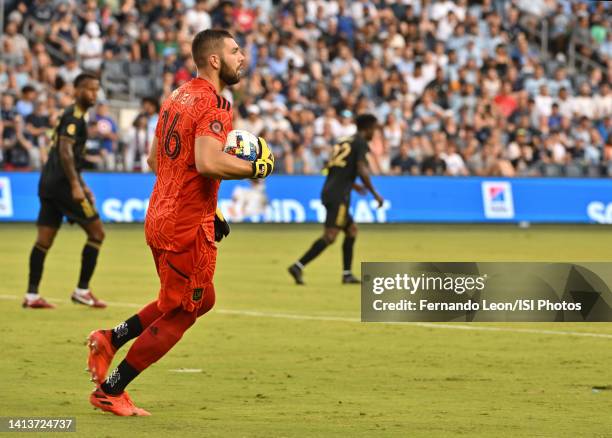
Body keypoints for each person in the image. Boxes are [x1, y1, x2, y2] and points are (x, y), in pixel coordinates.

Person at [86, 29, 274, 416]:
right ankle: (111, 389)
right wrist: (254, 167)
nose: (243, 57)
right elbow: (207, 162)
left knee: (197, 298)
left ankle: (110, 338)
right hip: (184, 226)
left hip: (162, 214)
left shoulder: (177, 97)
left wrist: (211, 208)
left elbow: (157, 160)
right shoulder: (216, 105)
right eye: (235, 51)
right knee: (185, 310)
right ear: (215, 60)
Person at [23, 72, 107, 309]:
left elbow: (70, 157)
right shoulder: (74, 117)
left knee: (44, 240)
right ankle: (82, 291)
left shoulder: (74, 114)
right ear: (77, 90)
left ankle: (31, 296)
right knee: (97, 233)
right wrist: (74, 185)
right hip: (62, 186)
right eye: (90, 89)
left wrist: (82, 183)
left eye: (96, 89)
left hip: (48, 183)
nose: (94, 94)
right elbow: (65, 152)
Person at [288, 113, 384, 285]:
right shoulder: (361, 143)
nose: (374, 134)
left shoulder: (343, 141)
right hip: (339, 196)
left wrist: (353, 185)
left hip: (330, 190)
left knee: (351, 230)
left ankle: (347, 274)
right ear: (367, 128)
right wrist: (375, 193)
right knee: (330, 236)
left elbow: (333, 168)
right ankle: (298, 266)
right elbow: (362, 169)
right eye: (374, 130)